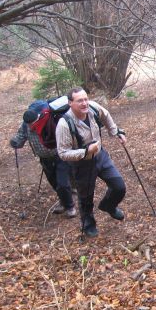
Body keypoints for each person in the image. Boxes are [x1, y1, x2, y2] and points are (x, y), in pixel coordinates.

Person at [56, 87, 127, 238]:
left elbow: (105, 115)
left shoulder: (93, 108)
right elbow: (62, 153)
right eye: (79, 100)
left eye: (85, 99)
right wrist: (86, 151)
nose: (84, 103)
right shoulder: (64, 124)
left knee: (119, 187)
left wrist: (115, 131)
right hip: (82, 164)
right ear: (70, 103)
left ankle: (108, 205)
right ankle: (89, 225)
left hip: (101, 156)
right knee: (86, 198)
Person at [10, 112, 76, 218]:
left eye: (32, 123)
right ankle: (63, 201)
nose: (31, 126)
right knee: (54, 183)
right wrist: (15, 142)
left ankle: (70, 207)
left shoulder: (48, 121)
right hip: (44, 159)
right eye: (29, 124)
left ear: (37, 118)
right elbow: (20, 138)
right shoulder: (25, 125)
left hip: (60, 155)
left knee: (62, 183)